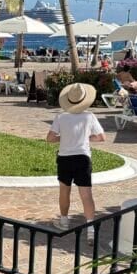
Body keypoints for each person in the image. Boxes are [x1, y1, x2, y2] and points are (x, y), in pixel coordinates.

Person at [47, 82, 106, 242]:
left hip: (65, 158)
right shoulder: (89, 116)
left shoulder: (61, 117)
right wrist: (86, 137)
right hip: (83, 158)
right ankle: (90, 228)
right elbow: (101, 137)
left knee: (64, 191)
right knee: (86, 194)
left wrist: (64, 138)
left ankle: (64, 221)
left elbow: (50, 138)